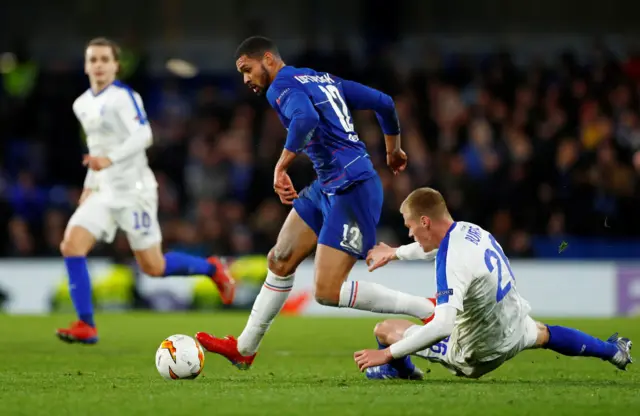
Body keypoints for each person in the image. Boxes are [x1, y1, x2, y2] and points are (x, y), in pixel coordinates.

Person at [196, 36, 436, 369]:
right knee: (280, 260)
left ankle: (426, 308)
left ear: (267, 58)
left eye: (247, 70)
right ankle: (245, 348)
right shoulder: (321, 78)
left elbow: (305, 120)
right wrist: (393, 149)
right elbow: (383, 102)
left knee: (326, 290)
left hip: (353, 190)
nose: (246, 80)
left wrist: (281, 166)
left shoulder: (280, 87)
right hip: (327, 186)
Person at [56, 37, 235, 345]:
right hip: (103, 190)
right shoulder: (81, 104)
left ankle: (211, 267)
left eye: (104, 60)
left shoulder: (124, 97)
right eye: (93, 60)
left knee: (153, 267)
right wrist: (89, 186)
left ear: (116, 66)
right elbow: (96, 149)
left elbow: (144, 134)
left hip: (134, 191)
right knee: (71, 245)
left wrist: (109, 160)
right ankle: (86, 324)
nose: (98, 65)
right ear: (86, 66)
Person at [354, 187, 633, 380]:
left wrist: (386, 354)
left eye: (410, 225)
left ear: (425, 221)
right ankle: (614, 352)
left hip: (476, 353)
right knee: (546, 333)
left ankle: (397, 370)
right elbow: (432, 248)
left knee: (385, 329)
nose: (410, 233)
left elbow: (442, 326)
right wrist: (395, 252)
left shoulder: (451, 260)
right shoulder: (471, 231)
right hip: (514, 328)